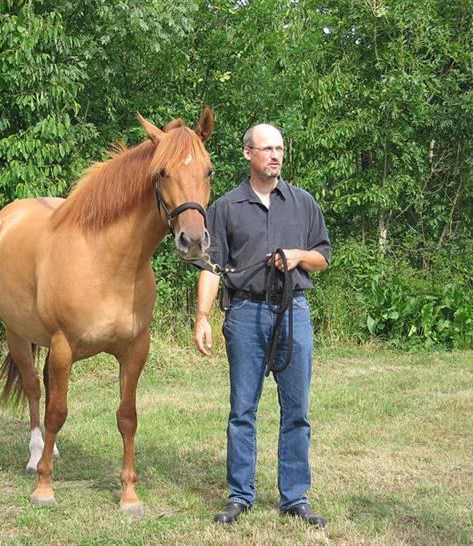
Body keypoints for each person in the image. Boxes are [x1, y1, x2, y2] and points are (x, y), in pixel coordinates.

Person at [193, 123, 331, 527]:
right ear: (247, 154)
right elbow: (211, 267)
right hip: (245, 314)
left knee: (297, 411)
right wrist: (202, 317)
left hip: (294, 313)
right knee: (242, 411)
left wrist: (299, 255)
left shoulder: (303, 203)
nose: (275, 155)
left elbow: (322, 256)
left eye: (280, 149)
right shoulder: (225, 208)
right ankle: (240, 495)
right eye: (267, 149)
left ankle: (295, 497)